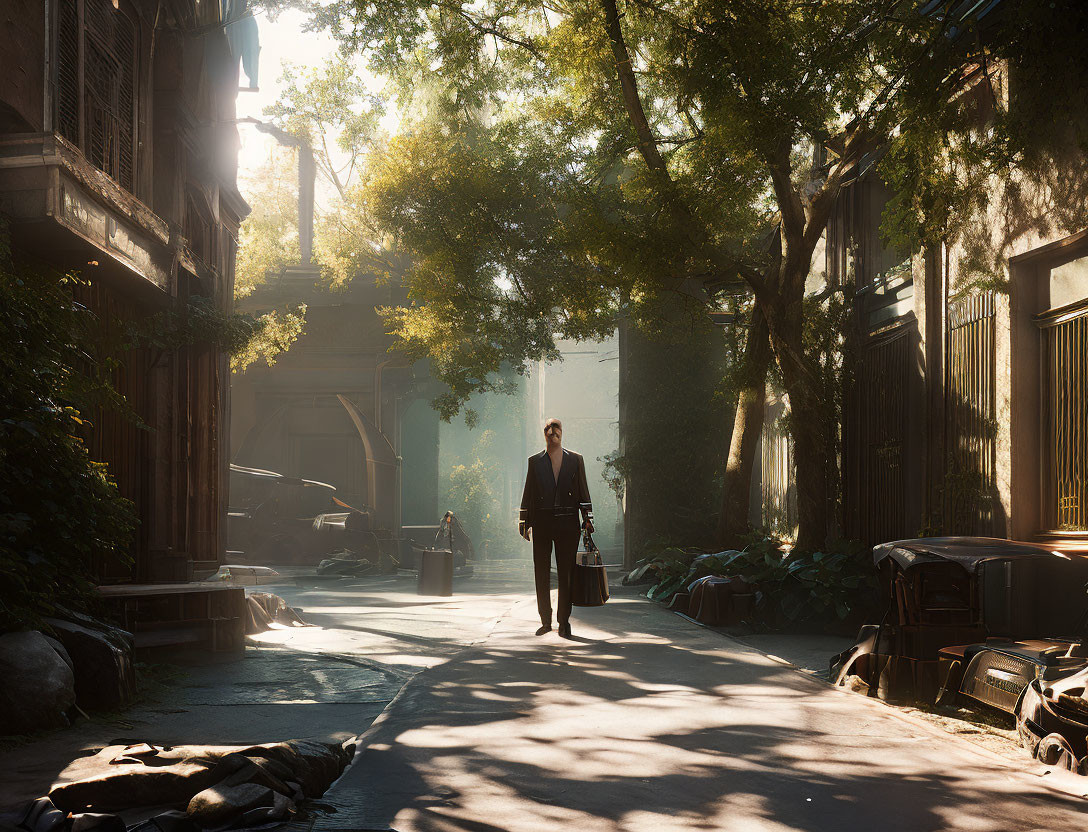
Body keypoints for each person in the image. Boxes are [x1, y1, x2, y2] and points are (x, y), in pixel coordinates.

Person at [519, 417, 594, 638]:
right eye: (548, 429)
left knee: (566, 574)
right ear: (544, 434)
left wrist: (587, 519)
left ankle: (564, 622)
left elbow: (583, 490)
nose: (552, 432)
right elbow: (529, 492)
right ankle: (545, 621)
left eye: (556, 428)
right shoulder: (535, 462)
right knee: (541, 573)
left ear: (562, 431)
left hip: (568, 523)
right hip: (542, 523)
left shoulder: (576, 460)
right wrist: (524, 521)